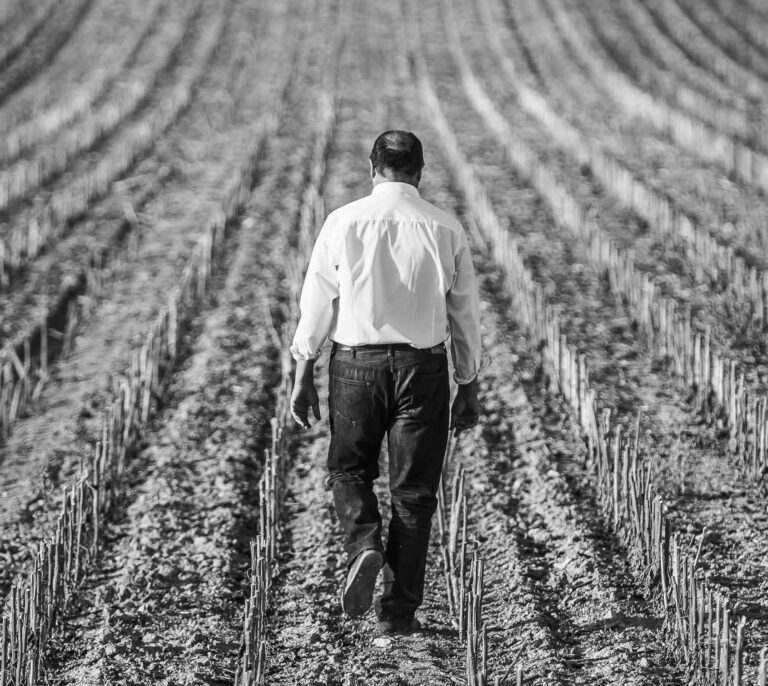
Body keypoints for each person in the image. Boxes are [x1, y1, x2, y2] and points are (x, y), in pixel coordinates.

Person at [289, 130, 482, 635]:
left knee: (350, 470)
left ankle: (364, 544)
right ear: (420, 172)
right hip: (424, 371)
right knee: (414, 495)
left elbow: (316, 301)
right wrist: (469, 383)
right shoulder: (445, 228)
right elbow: (464, 316)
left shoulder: (342, 222)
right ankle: (396, 617)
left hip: (356, 367)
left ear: (373, 168)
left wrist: (303, 372)